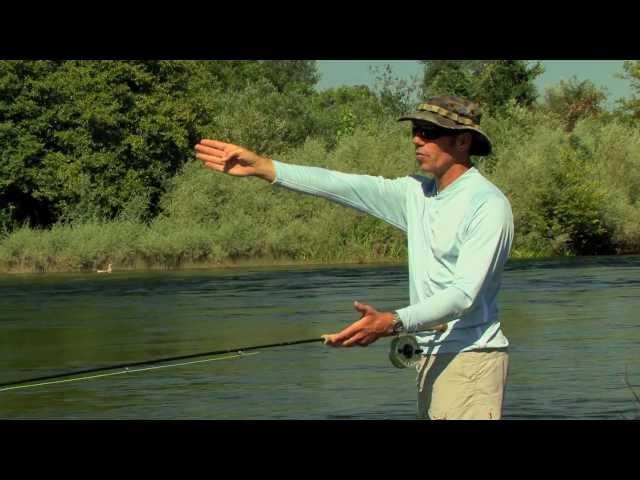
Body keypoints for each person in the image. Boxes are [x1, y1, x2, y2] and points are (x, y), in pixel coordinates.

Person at [194, 95, 514, 420]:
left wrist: (392, 321)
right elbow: (341, 184)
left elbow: (464, 296)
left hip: (471, 358)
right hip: (431, 357)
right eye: (416, 130)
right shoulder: (416, 194)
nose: (417, 139)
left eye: (430, 133)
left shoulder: (486, 204)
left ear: (462, 141)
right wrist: (264, 167)